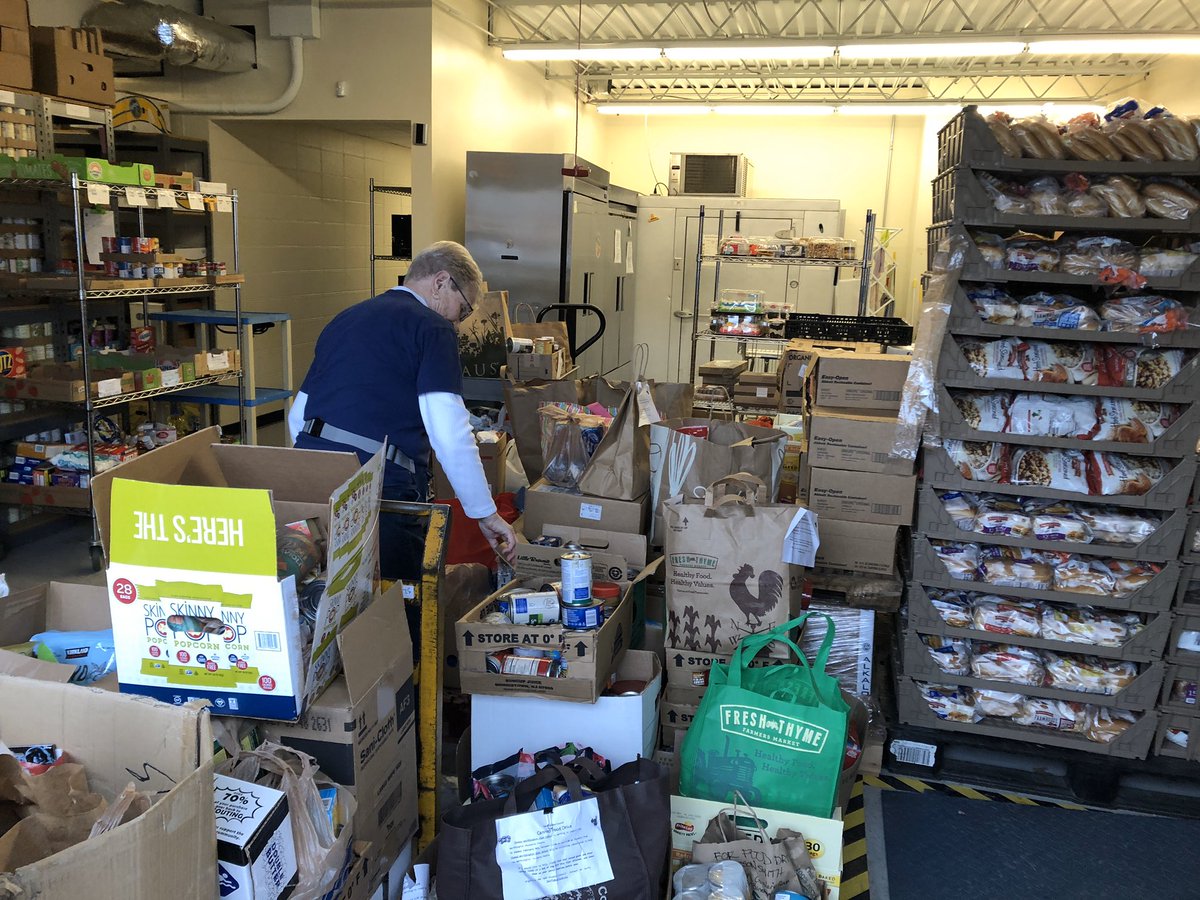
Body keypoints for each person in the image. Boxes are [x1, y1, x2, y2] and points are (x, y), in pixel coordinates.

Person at [288, 241, 517, 578]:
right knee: (397, 600)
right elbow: (449, 434)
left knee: (324, 591)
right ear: (441, 282)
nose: (458, 323)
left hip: (310, 480)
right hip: (382, 491)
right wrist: (485, 513)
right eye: (463, 309)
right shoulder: (432, 328)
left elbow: (298, 416)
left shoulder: (346, 318)